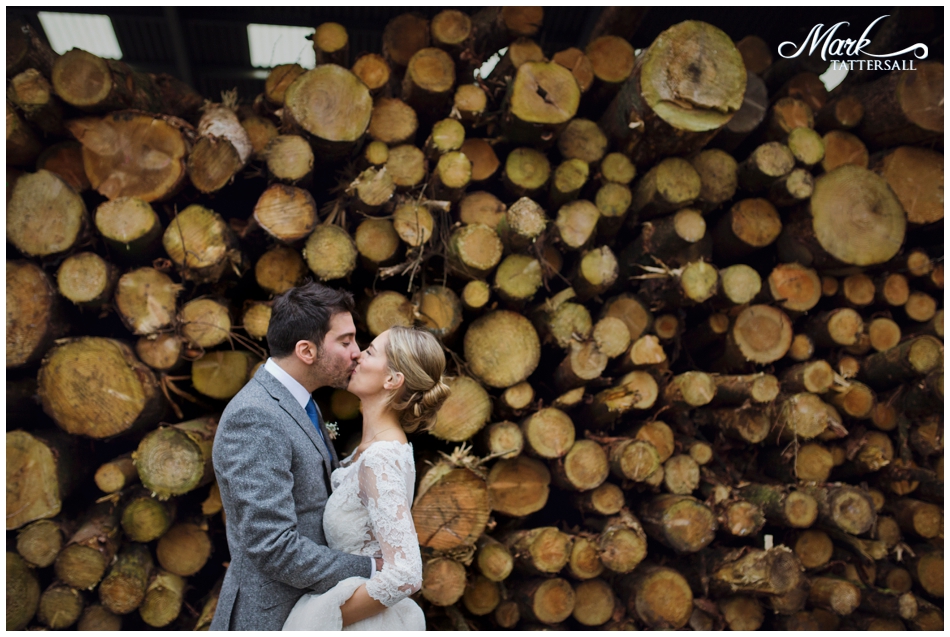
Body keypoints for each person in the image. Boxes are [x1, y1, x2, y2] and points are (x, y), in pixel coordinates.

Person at [211, 282, 376, 631]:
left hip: (312, 609)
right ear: (306, 350)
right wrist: (374, 569)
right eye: (345, 342)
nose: (357, 352)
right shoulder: (255, 418)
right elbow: (274, 547)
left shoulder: (301, 401)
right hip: (274, 617)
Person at [282, 325, 449, 630]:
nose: (357, 354)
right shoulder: (368, 452)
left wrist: (324, 618)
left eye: (370, 351)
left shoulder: (380, 460)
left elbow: (406, 574)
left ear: (392, 380)